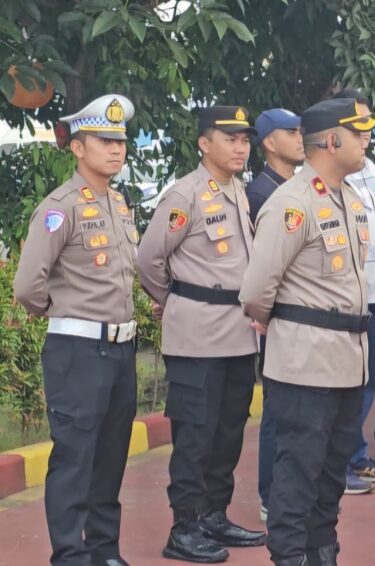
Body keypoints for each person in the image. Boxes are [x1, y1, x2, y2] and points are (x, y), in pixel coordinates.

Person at [238, 97, 375, 566]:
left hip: (345, 360)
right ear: (333, 141)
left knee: (330, 475)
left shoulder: (350, 199)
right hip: (304, 362)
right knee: (298, 473)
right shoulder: (292, 203)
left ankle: (321, 554)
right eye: (359, 134)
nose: (367, 141)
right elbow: (257, 288)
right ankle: (291, 556)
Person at [14, 95, 139, 566]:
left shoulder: (119, 205)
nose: (115, 150)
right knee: (74, 458)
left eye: (120, 141)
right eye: (104, 141)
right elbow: (28, 285)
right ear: (78, 148)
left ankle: (105, 550)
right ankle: (70, 554)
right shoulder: (59, 207)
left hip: (122, 348)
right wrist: (63, 312)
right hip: (77, 350)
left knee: (110, 459)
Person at [138, 105, 265, 563]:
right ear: (203, 143)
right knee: (196, 433)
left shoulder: (239, 192)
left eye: (244, 139)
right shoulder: (184, 196)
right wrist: (175, 299)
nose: (239, 146)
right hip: (196, 335)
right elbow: (148, 259)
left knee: (229, 430)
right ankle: (184, 527)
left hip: (236, 332)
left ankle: (214, 515)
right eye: (229, 137)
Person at [336, 88, 375, 491]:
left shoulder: (371, 169)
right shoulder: (329, 174)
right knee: (347, 381)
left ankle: (357, 455)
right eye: (359, 125)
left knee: (369, 379)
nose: (367, 133)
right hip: (348, 295)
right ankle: (340, 460)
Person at [246, 107, 305, 522]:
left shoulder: (301, 189)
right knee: (278, 411)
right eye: (291, 132)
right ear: (269, 142)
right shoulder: (260, 193)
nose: (300, 137)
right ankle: (270, 494)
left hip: (301, 320)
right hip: (273, 317)